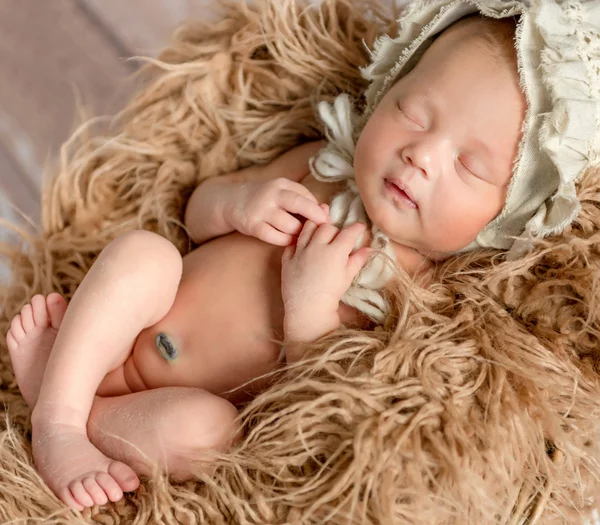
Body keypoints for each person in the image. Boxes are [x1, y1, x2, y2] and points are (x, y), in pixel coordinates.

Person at [5, 0, 598, 510]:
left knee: (211, 435)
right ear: (388, 85)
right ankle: (57, 419)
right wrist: (238, 203)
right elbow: (195, 214)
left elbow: (321, 399)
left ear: (511, 214)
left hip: (172, 410)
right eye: (413, 114)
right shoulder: (320, 166)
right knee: (145, 255)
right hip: (130, 329)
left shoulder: (417, 294)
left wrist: (309, 308)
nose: (421, 155)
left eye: (469, 166)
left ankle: (82, 412)